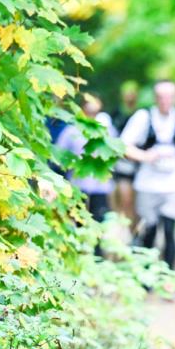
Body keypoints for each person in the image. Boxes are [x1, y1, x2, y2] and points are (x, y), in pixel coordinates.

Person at [121, 79, 175, 270]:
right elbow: (123, 146)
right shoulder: (143, 117)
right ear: (155, 98)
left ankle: (169, 277)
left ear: (174, 97)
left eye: (169, 96)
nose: (165, 101)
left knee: (170, 231)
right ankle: (147, 276)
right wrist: (146, 156)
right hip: (147, 184)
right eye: (161, 97)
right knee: (149, 230)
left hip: (174, 183)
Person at [55, 93, 119, 253]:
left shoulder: (106, 129)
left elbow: (117, 151)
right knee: (79, 222)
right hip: (78, 185)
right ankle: (80, 254)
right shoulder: (72, 130)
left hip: (100, 186)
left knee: (99, 222)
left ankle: (98, 257)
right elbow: (59, 155)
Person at [111, 81, 141, 230]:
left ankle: (134, 232)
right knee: (124, 201)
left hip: (140, 164)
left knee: (137, 204)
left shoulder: (141, 114)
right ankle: (126, 232)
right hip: (122, 164)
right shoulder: (116, 113)